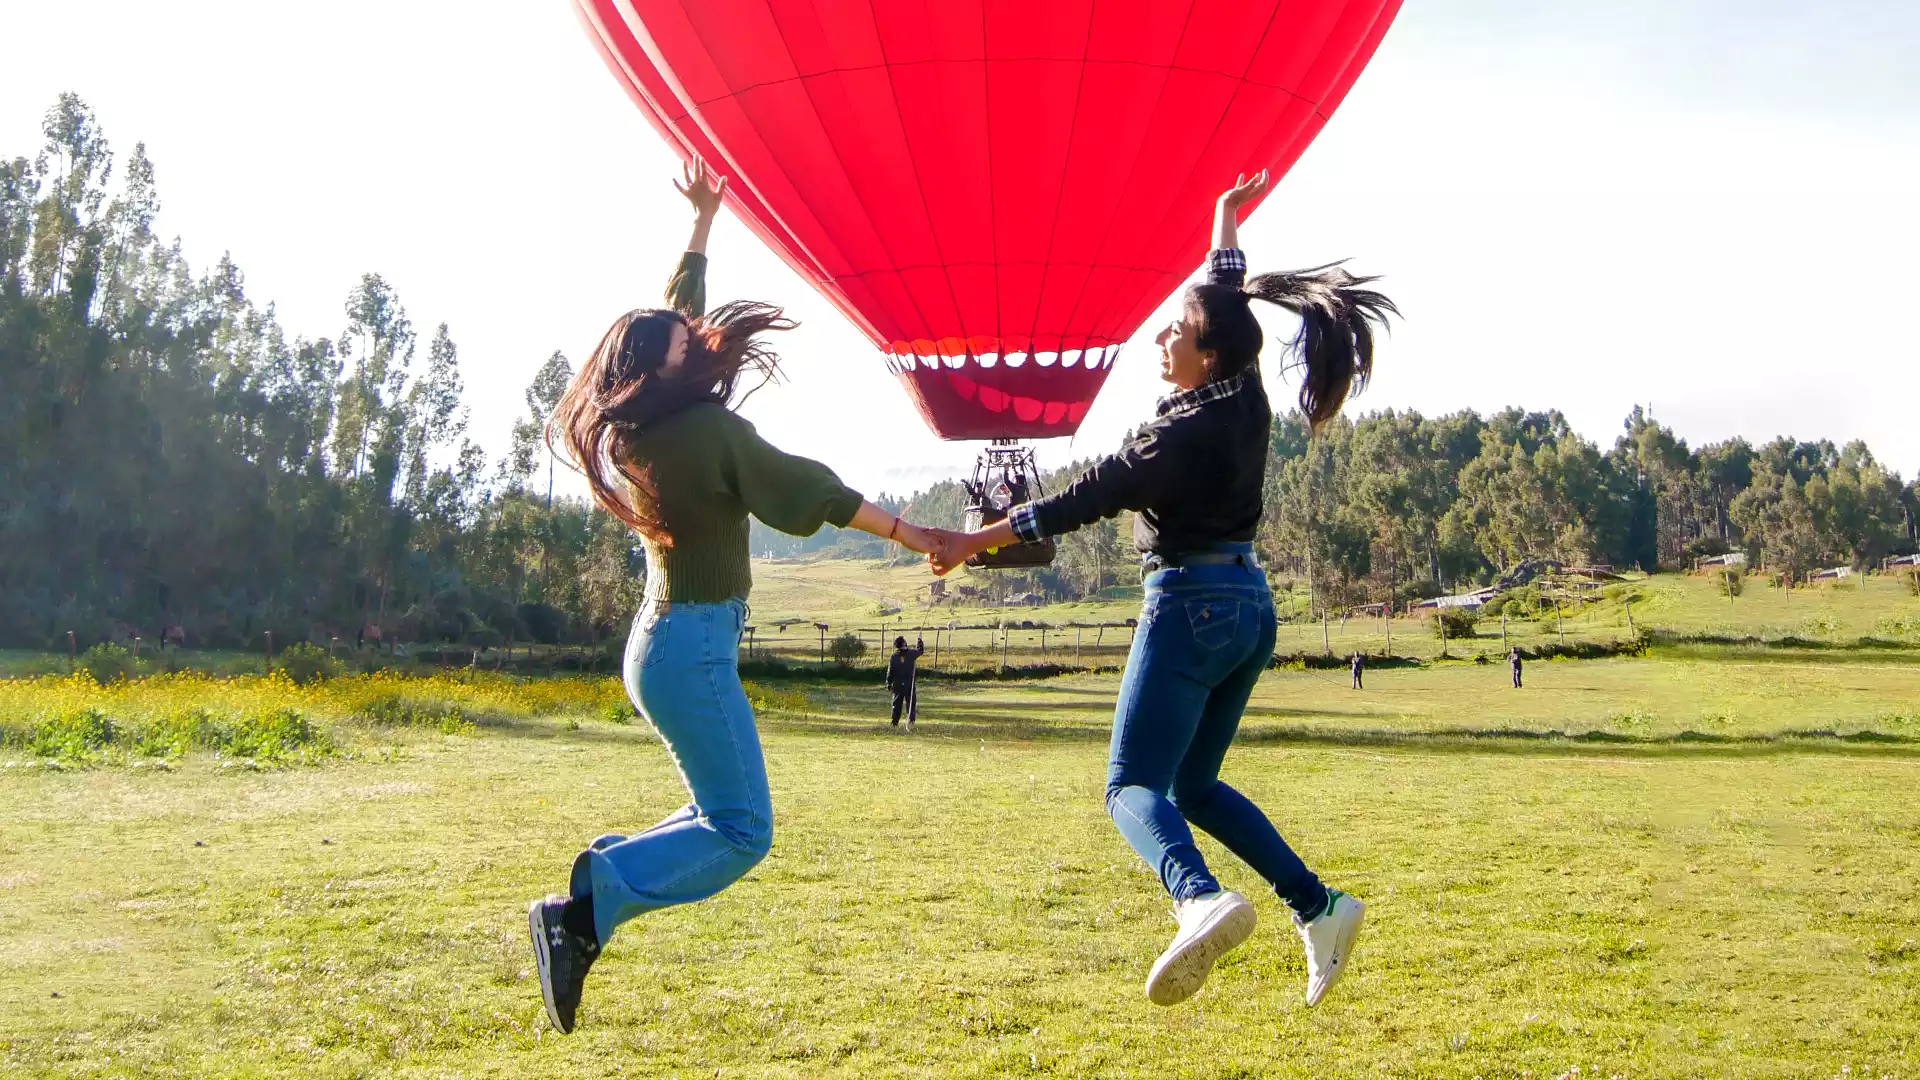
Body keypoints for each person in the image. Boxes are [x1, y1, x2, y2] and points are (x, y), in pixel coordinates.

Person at [929, 171, 1395, 1009]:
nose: (1157, 342)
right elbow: (1221, 288)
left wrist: (972, 542)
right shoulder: (1245, 393)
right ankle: (1319, 908)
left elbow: (1067, 505)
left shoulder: (1169, 440)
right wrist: (1223, 220)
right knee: (1196, 786)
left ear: (1203, 353)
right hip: (1252, 606)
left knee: (1129, 787)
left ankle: (1197, 898)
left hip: (1188, 607)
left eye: (1170, 333)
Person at [525, 158, 942, 1035]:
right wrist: (912, 534)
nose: (700, 334)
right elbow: (802, 489)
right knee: (743, 831)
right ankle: (591, 903)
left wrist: (702, 227)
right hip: (693, 650)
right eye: (688, 339)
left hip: (660, 646)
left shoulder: (637, 424)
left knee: (717, 814)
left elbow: (667, 317)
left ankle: (598, 882)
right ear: (668, 370)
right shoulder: (708, 433)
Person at [886, 635, 925, 729]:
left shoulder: (893, 656)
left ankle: (894, 723)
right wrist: (919, 641)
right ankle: (911, 722)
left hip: (897, 685)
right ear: (904, 643)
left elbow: (890, 672)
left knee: (896, 705)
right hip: (909, 685)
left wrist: (888, 683)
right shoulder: (911, 653)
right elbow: (920, 651)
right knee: (911, 704)